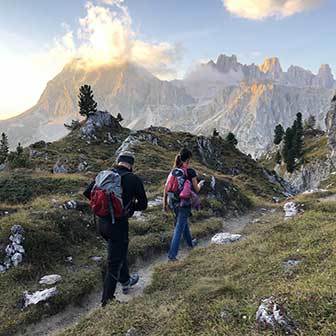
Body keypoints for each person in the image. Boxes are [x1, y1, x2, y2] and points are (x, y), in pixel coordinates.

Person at [84, 151, 148, 307]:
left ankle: (126, 281)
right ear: (131, 165)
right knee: (113, 262)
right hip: (118, 226)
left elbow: (87, 193)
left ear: (118, 161)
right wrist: (130, 206)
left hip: (101, 224)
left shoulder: (104, 175)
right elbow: (143, 205)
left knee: (119, 252)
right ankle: (107, 301)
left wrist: (104, 206)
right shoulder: (133, 179)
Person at [163, 148, 204, 261]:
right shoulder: (190, 172)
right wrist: (200, 184)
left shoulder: (174, 171)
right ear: (189, 159)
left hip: (172, 202)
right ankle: (172, 255)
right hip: (183, 203)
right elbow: (196, 189)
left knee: (183, 222)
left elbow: (166, 188)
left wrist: (164, 204)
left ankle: (190, 243)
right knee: (179, 227)